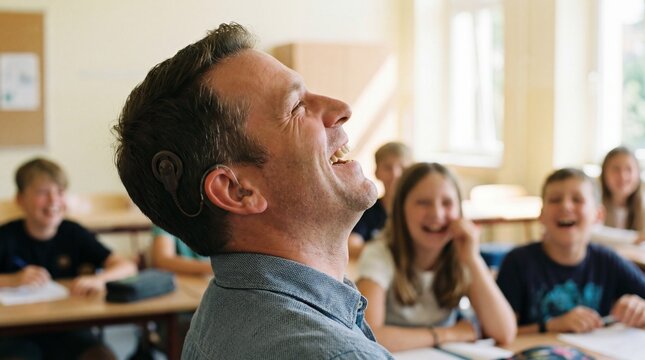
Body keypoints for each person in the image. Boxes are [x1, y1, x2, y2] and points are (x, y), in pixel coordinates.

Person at [113, 23, 392, 359]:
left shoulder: (224, 308)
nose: (341, 108)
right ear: (237, 190)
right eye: (295, 107)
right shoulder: (334, 353)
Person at [356, 162, 516, 352]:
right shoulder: (379, 254)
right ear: (401, 210)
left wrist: (472, 260)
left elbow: (504, 332)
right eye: (423, 203)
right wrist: (449, 333)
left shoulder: (462, 254)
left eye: (447, 203)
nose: (437, 214)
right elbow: (368, 335)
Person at [0, 157, 137, 360]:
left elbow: (126, 267)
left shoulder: (73, 232)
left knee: (102, 356)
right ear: (20, 199)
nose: (54, 200)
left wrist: (99, 279)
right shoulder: (6, 236)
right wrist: (12, 280)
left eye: (59, 192)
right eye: (42, 192)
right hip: (18, 335)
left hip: (70, 329)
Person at [497, 168, 645, 334]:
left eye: (577, 199)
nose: (566, 206)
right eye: (554, 200)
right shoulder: (518, 262)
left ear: (598, 215)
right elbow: (496, 332)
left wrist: (639, 308)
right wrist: (551, 326)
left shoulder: (608, 261)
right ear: (541, 214)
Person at [348, 141, 412, 259]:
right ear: (377, 172)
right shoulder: (366, 211)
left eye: (403, 167)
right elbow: (352, 246)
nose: (395, 174)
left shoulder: (419, 211)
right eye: (388, 167)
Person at [592, 146, 645, 245]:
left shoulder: (643, 206)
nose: (622, 176)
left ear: (638, 173)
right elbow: (589, 234)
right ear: (604, 173)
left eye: (629, 169)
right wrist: (635, 238)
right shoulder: (593, 203)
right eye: (616, 169)